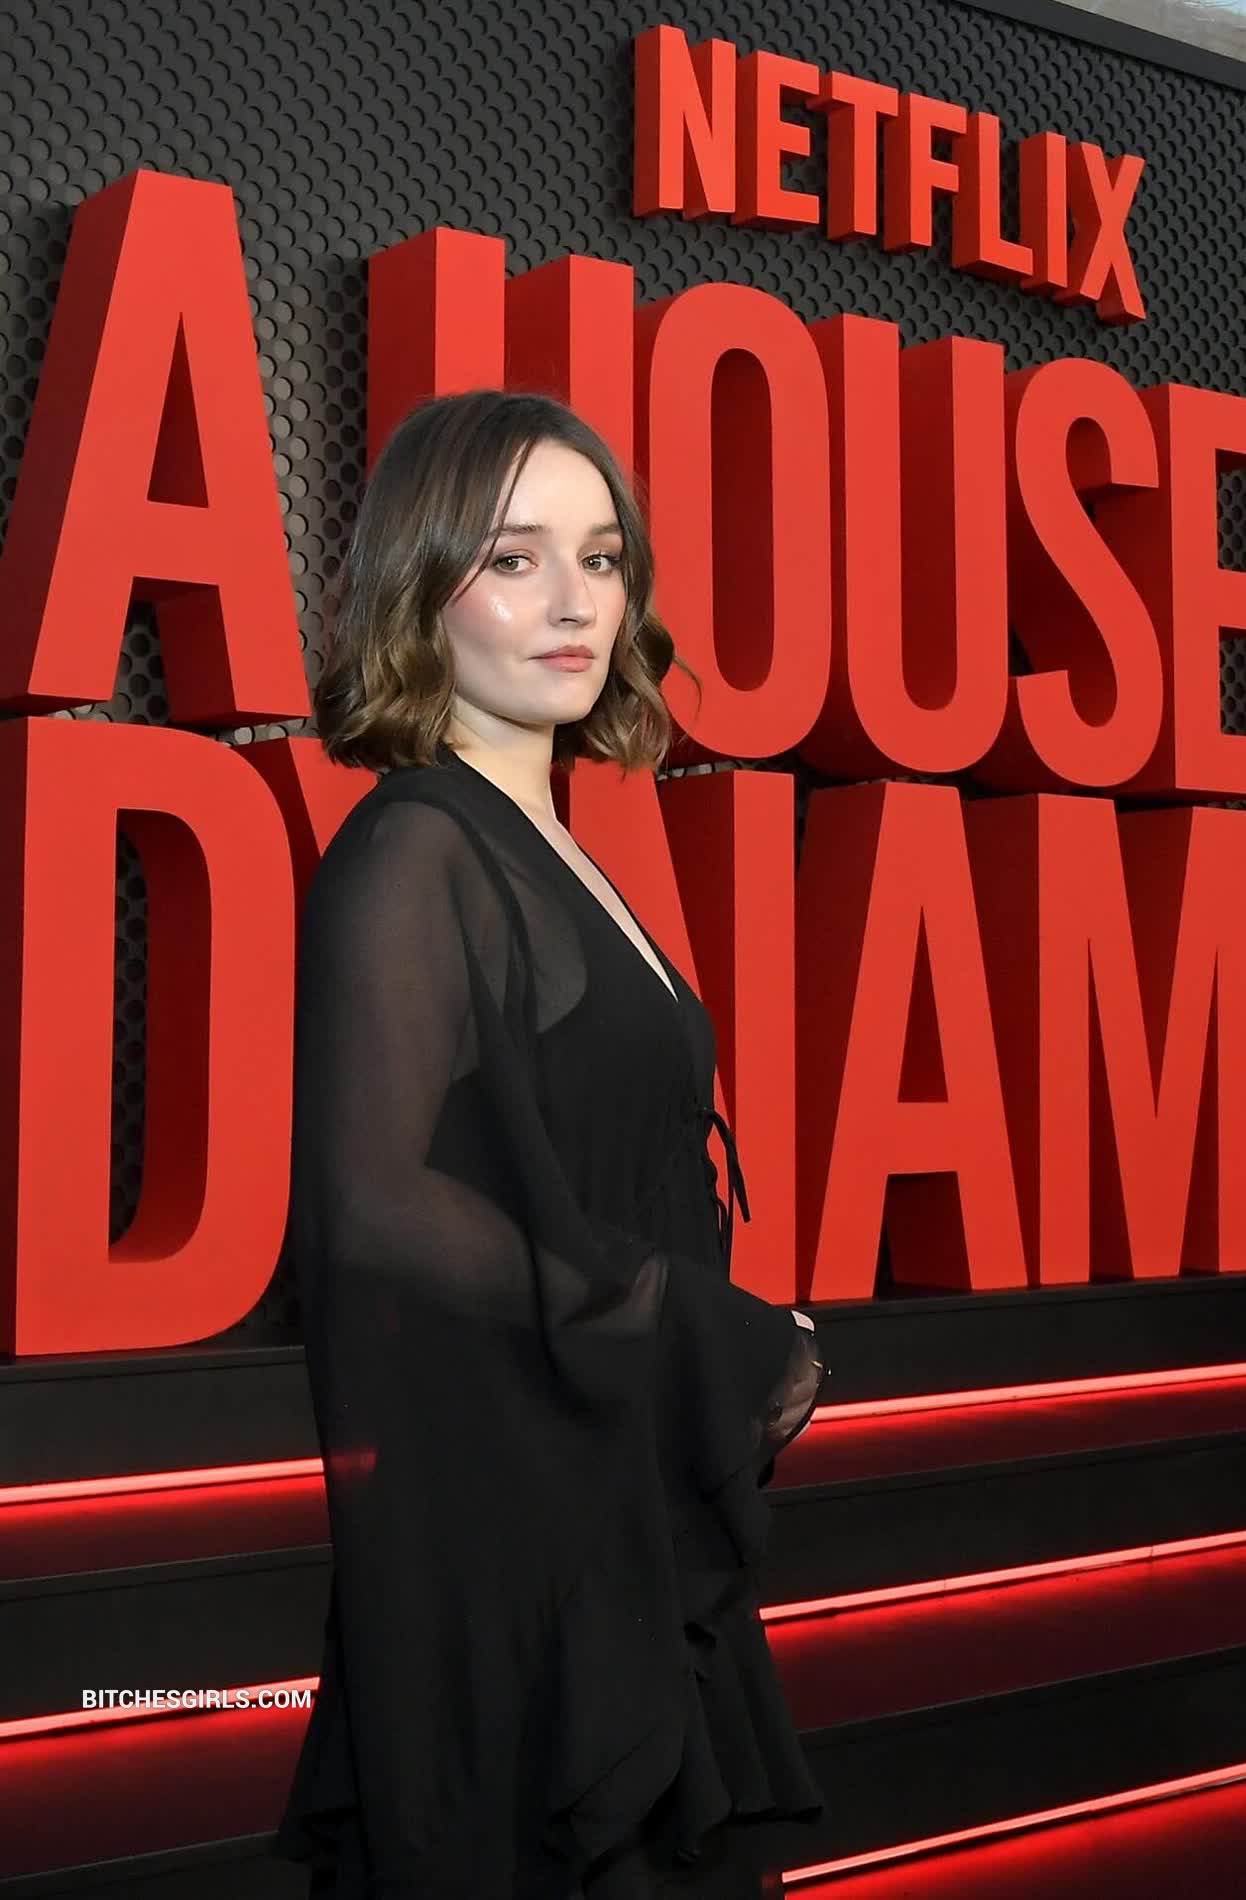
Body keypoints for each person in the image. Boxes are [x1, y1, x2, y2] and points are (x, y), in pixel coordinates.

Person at [271, 388, 831, 1900]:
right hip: (517, 1525)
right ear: (421, 584)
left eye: (602, 558)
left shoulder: (554, 841)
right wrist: (696, 1328)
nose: (576, 602)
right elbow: (373, 1205)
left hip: (607, 1496)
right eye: (514, 559)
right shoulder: (416, 844)